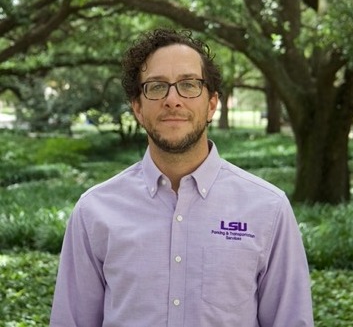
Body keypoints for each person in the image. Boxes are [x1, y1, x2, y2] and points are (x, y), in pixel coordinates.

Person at [50, 28, 314, 327]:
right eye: (157, 86)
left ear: (212, 104)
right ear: (137, 107)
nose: (172, 100)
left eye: (188, 85)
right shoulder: (93, 211)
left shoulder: (268, 209)